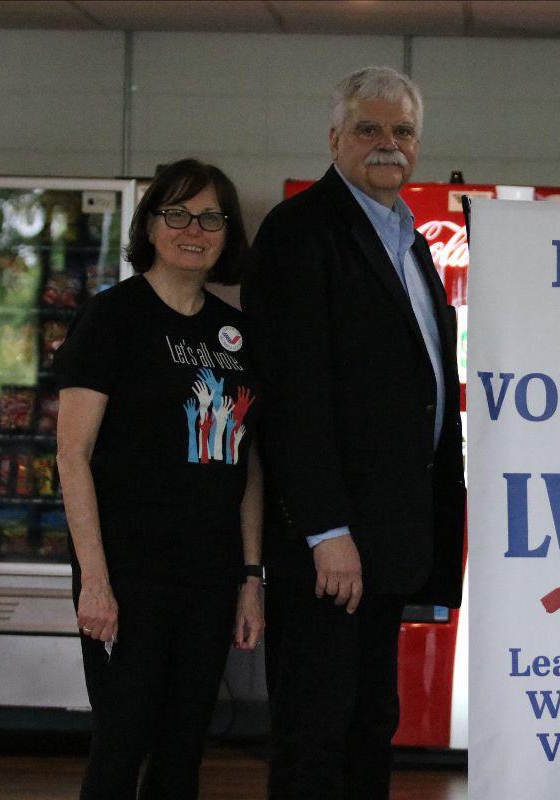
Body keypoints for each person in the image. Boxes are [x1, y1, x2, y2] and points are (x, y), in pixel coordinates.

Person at [241, 66, 465, 799]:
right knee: (315, 733)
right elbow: (291, 396)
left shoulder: (411, 240)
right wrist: (325, 528)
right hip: (330, 549)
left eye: (402, 131)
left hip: (390, 540)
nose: (388, 144)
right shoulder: (300, 232)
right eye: (369, 128)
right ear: (335, 137)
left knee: (371, 725)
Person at [55, 158, 264, 800]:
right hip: (128, 574)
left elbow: (248, 462)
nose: (193, 229)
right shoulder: (112, 317)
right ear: (150, 225)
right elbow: (72, 453)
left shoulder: (235, 336)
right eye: (176, 213)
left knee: (183, 752)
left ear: (227, 234)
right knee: (122, 743)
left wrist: (251, 579)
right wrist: (95, 581)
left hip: (208, 576)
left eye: (210, 217)